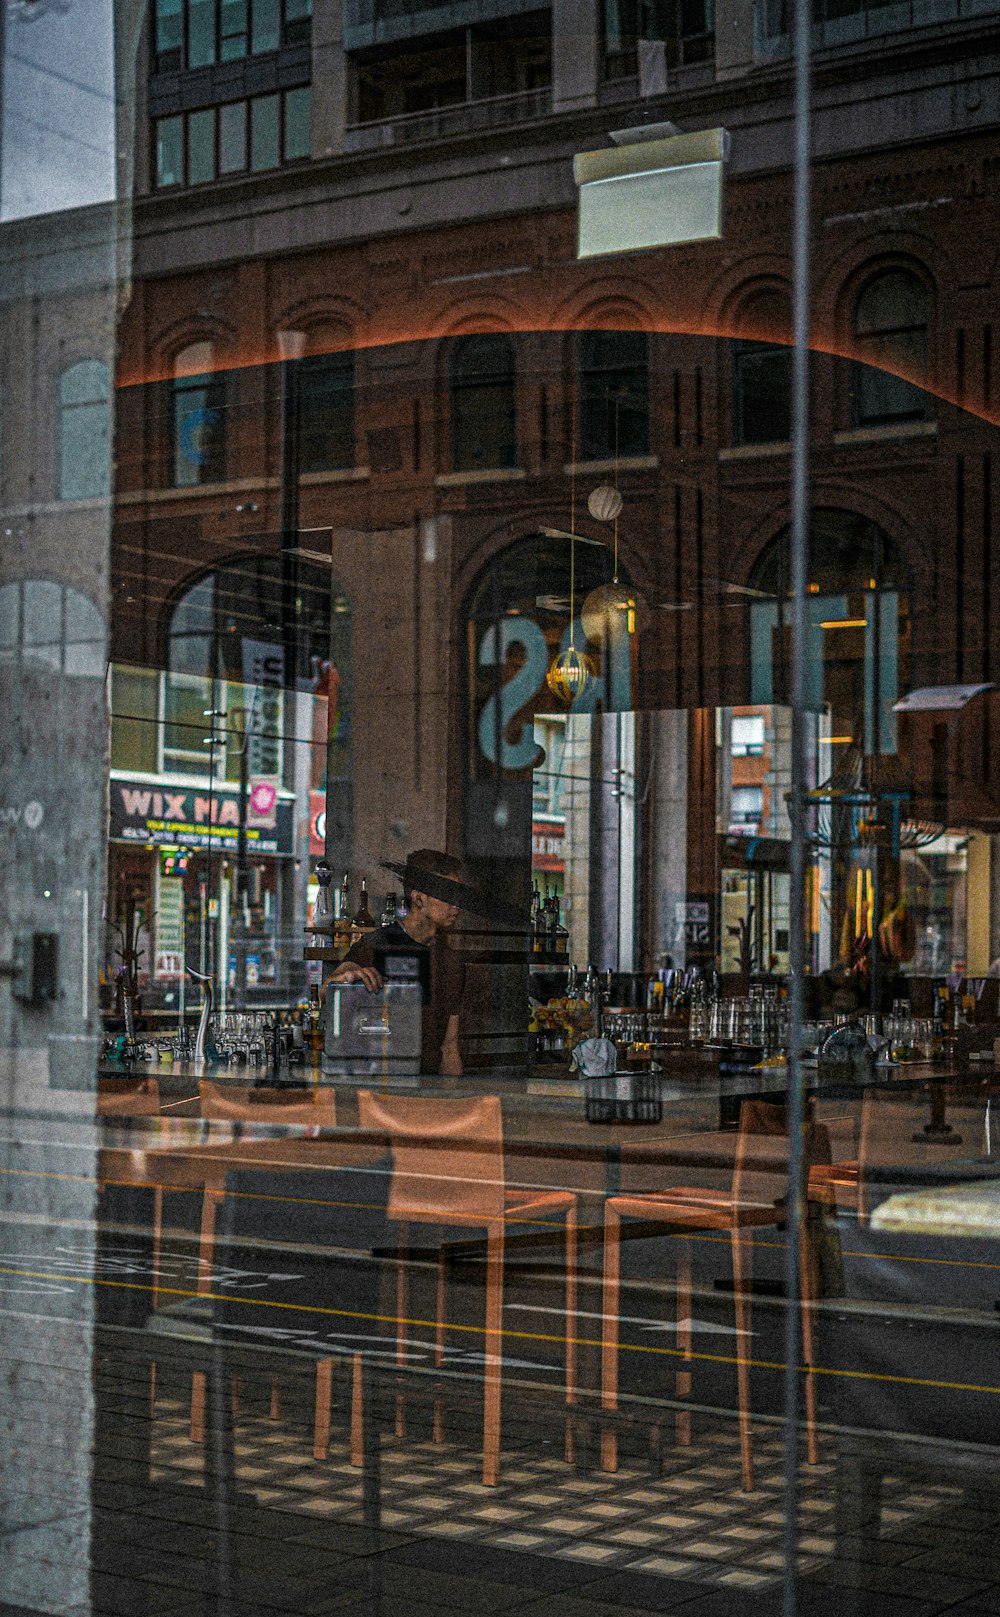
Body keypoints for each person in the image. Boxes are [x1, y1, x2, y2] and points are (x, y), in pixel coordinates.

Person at [325, 849, 467, 1075]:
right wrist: (345, 980)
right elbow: (327, 990)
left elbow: (449, 1047)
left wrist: (453, 1101)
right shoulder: (378, 945)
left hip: (427, 1090)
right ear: (419, 898)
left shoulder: (451, 961)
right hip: (381, 1085)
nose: (456, 904)